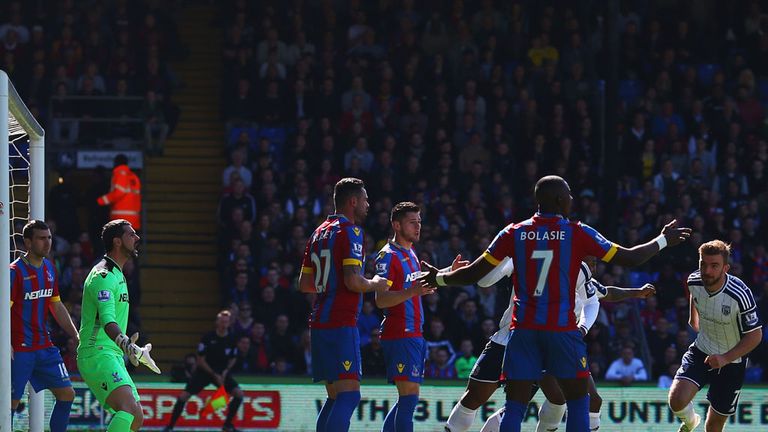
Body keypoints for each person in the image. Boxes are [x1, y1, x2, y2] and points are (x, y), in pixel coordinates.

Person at [422, 175, 691, 432]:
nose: (572, 198)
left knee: (514, 406)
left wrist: (440, 278)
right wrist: (664, 239)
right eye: (569, 194)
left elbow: (474, 274)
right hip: (561, 331)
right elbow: (631, 258)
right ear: (562, 201)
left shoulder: (513, 232)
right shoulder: (577, 232)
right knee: (577, 402)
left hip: (522, 332)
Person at [298, 177, 390, 432]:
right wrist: (376, 283)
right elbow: (352, 282)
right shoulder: (351, 232)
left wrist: (328, 284)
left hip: (319, 322)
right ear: (353, 201)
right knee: (349, 396)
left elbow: (304, 284)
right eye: (365, 199)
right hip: (341, 322)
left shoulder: (317, 233)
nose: (368, 205)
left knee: (335, 397)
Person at [373, 201, 465, 431]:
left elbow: (419, 282)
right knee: (409, 399)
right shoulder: (388, 256)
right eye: (412, 222)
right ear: (396, 225)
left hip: (413, 333)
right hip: (400, 333)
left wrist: (447, 272)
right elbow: (381, 299)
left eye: (419, 222)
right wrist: (414, 291)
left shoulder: (410, 252)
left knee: (405, 400)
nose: (418, 227)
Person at [668, 240, 762, 432]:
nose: (707, 271)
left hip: (732, 362)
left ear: (725, 268)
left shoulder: (740, 294)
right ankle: (691, 421)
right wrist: (693, 320)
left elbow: (755, 335)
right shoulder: (693, 281)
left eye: (714, 266)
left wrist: (725, 358)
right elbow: (695, 297)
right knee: (676, 401)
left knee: (713, 426)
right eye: (703, 264)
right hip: (702, 350)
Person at [78, 220, 159, 432]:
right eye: (131, 235)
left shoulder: (118, 274)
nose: (137, 238)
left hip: (111, 354)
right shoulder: (103, 276)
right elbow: (107, 321)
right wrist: (127, 345)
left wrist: (134, 351)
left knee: (136, 418)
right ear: (117, 241)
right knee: (129, 410)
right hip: (97, 353)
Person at [10, 220, 79, 432]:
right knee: (10, 403)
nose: (47, 242)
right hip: (19, 349)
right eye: (41, 238)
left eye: (49, 237)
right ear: (28, 242)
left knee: (67, 393)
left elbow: (56, 305)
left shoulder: (50, 268)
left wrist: (75, 335)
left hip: (43, 346)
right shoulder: (14, 272)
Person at [163, 310, 243, 432]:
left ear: (229, 323)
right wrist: (213, 374)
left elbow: (233, 358)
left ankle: (227, 425)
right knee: (183, 396)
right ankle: (170, 426)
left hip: (222, 373)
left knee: (238, 394)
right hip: (204, 372)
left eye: (226, 322)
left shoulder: (232, 339)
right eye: (221, 321)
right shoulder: (208, 337)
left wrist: (226, 371)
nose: (223, 324)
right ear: (217, 322)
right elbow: (200, 359)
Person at [97, 154, 142, 230]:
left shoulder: (120, 173)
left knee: (117, 241)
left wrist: (101, 200)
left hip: (120, 218)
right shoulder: (134, 177)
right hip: (134, 219)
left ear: (115, 163)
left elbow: (119, 193)